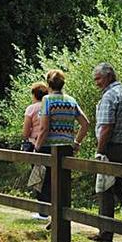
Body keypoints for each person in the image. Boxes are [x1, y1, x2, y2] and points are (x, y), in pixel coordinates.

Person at [89, 62, 122, 242]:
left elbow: (106, 128)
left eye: (99, 79)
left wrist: (100, 152)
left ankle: (106, 232)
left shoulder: (110, 96)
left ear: (109, 76)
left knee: (105, 189)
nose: (96, 83)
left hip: (114, 148)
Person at [33, 69, 90, 218]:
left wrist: (37, 147)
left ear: (48, 84)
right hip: (66, 148)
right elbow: (85, 124)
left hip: (49, 148)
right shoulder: (71, 100)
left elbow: (44, 128)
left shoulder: (47, 100)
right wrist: (76, 142)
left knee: (47, 184)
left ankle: (50, 215)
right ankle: (61, 217)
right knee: (63, 185)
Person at [21, 81, 51, 219]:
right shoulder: (49, 106)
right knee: (51, 178)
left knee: (39, 177)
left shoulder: (31, 109)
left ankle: (43, 211)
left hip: (36, 145)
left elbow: (25, 132)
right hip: (51, 145)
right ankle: (52, 209)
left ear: (34, 94)